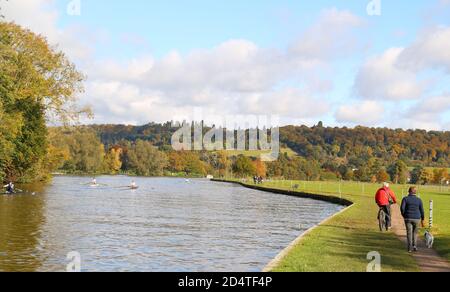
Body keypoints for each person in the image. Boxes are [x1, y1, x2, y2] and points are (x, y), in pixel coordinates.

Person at [401, 187, 425, 253]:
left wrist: (404, 215)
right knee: (415, 232)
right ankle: (415, 246)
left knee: (409, 233)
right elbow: (422, 210)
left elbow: (402, 209)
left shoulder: (405, 199)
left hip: (407, 218)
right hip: (417, 218)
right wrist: (422, 219)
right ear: (415, 192)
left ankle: (409, 248)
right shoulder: (419, 200)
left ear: (408, 191)